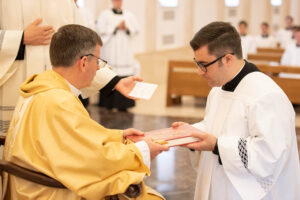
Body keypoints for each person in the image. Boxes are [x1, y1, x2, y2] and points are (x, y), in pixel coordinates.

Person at [3, 24, 168, 200]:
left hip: (27, 185)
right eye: (98, 62)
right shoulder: (59, 100)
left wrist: (117, 136)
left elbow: (73, 139)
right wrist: (142, 151)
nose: (98, 68)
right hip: (50, 193)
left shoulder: (43, 85)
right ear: (83, 62)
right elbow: (94, 161)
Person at [173, 21, 300, 200]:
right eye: (197, 63)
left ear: (228, 59)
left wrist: (217, 145)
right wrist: (192, 133)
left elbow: (270, 156)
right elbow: (215, 126)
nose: (199, 72)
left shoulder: (266, 95)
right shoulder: (217, 90)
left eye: (203, 64)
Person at [0, 0, 140, 136]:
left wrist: (114, 81)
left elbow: (83, 45)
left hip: (56, 93)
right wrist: (20, 38)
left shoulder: (65, 2)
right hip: (13, 88)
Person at [96, 0, 140, 112]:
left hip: (125, 53)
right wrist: (115, 27)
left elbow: (136, 30)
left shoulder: (129, 15)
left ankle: (124, 104)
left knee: (125, 75)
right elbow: (100, 31)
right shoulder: (104, 15)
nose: (118, 2)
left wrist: (126, 28)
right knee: (111, 74)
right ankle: (108, 104)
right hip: (111, 52)